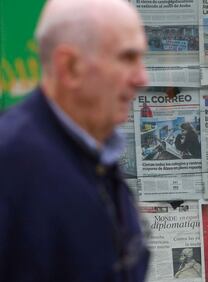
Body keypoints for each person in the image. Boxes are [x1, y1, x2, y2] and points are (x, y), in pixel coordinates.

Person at [0, 0, 150, 281]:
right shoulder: (11, 163)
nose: (142, 78)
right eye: (127, 58)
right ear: (69, 67)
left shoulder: (96, 155)